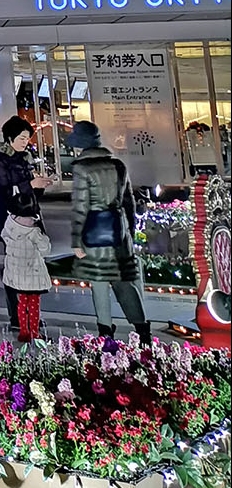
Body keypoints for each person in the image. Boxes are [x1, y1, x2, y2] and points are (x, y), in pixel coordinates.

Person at [67, 120, 151, 344]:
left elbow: (80, 207)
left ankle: (105, 331)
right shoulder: (118, 164)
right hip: (119, 226)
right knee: (124, 281)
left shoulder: (82, 168)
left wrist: (76, 240)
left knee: (100, 282)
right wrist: (129, 233)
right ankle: (142, 329)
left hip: (94, 229)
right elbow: (129, 202)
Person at [0, 116, 51, 330]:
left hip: (31, 213)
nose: (25, 142)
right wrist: (29, 184)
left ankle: (30, 317)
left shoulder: (24, 157)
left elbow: (29, 187)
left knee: (32, 263)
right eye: (22, 137)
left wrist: (40, 183)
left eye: (27, 138)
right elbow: (4, 190)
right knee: (15, 266)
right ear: (9, 137)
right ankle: (17, 318)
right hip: (11, 217)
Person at [1, 190, 52, 343]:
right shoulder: (34, 231)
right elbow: (45, 250)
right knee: (34, 304)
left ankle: (24, 331)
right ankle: (34, 332)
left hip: (17, 273)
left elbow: (4, 238)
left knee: (22, 303)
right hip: (33, 273)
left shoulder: (9, 224)